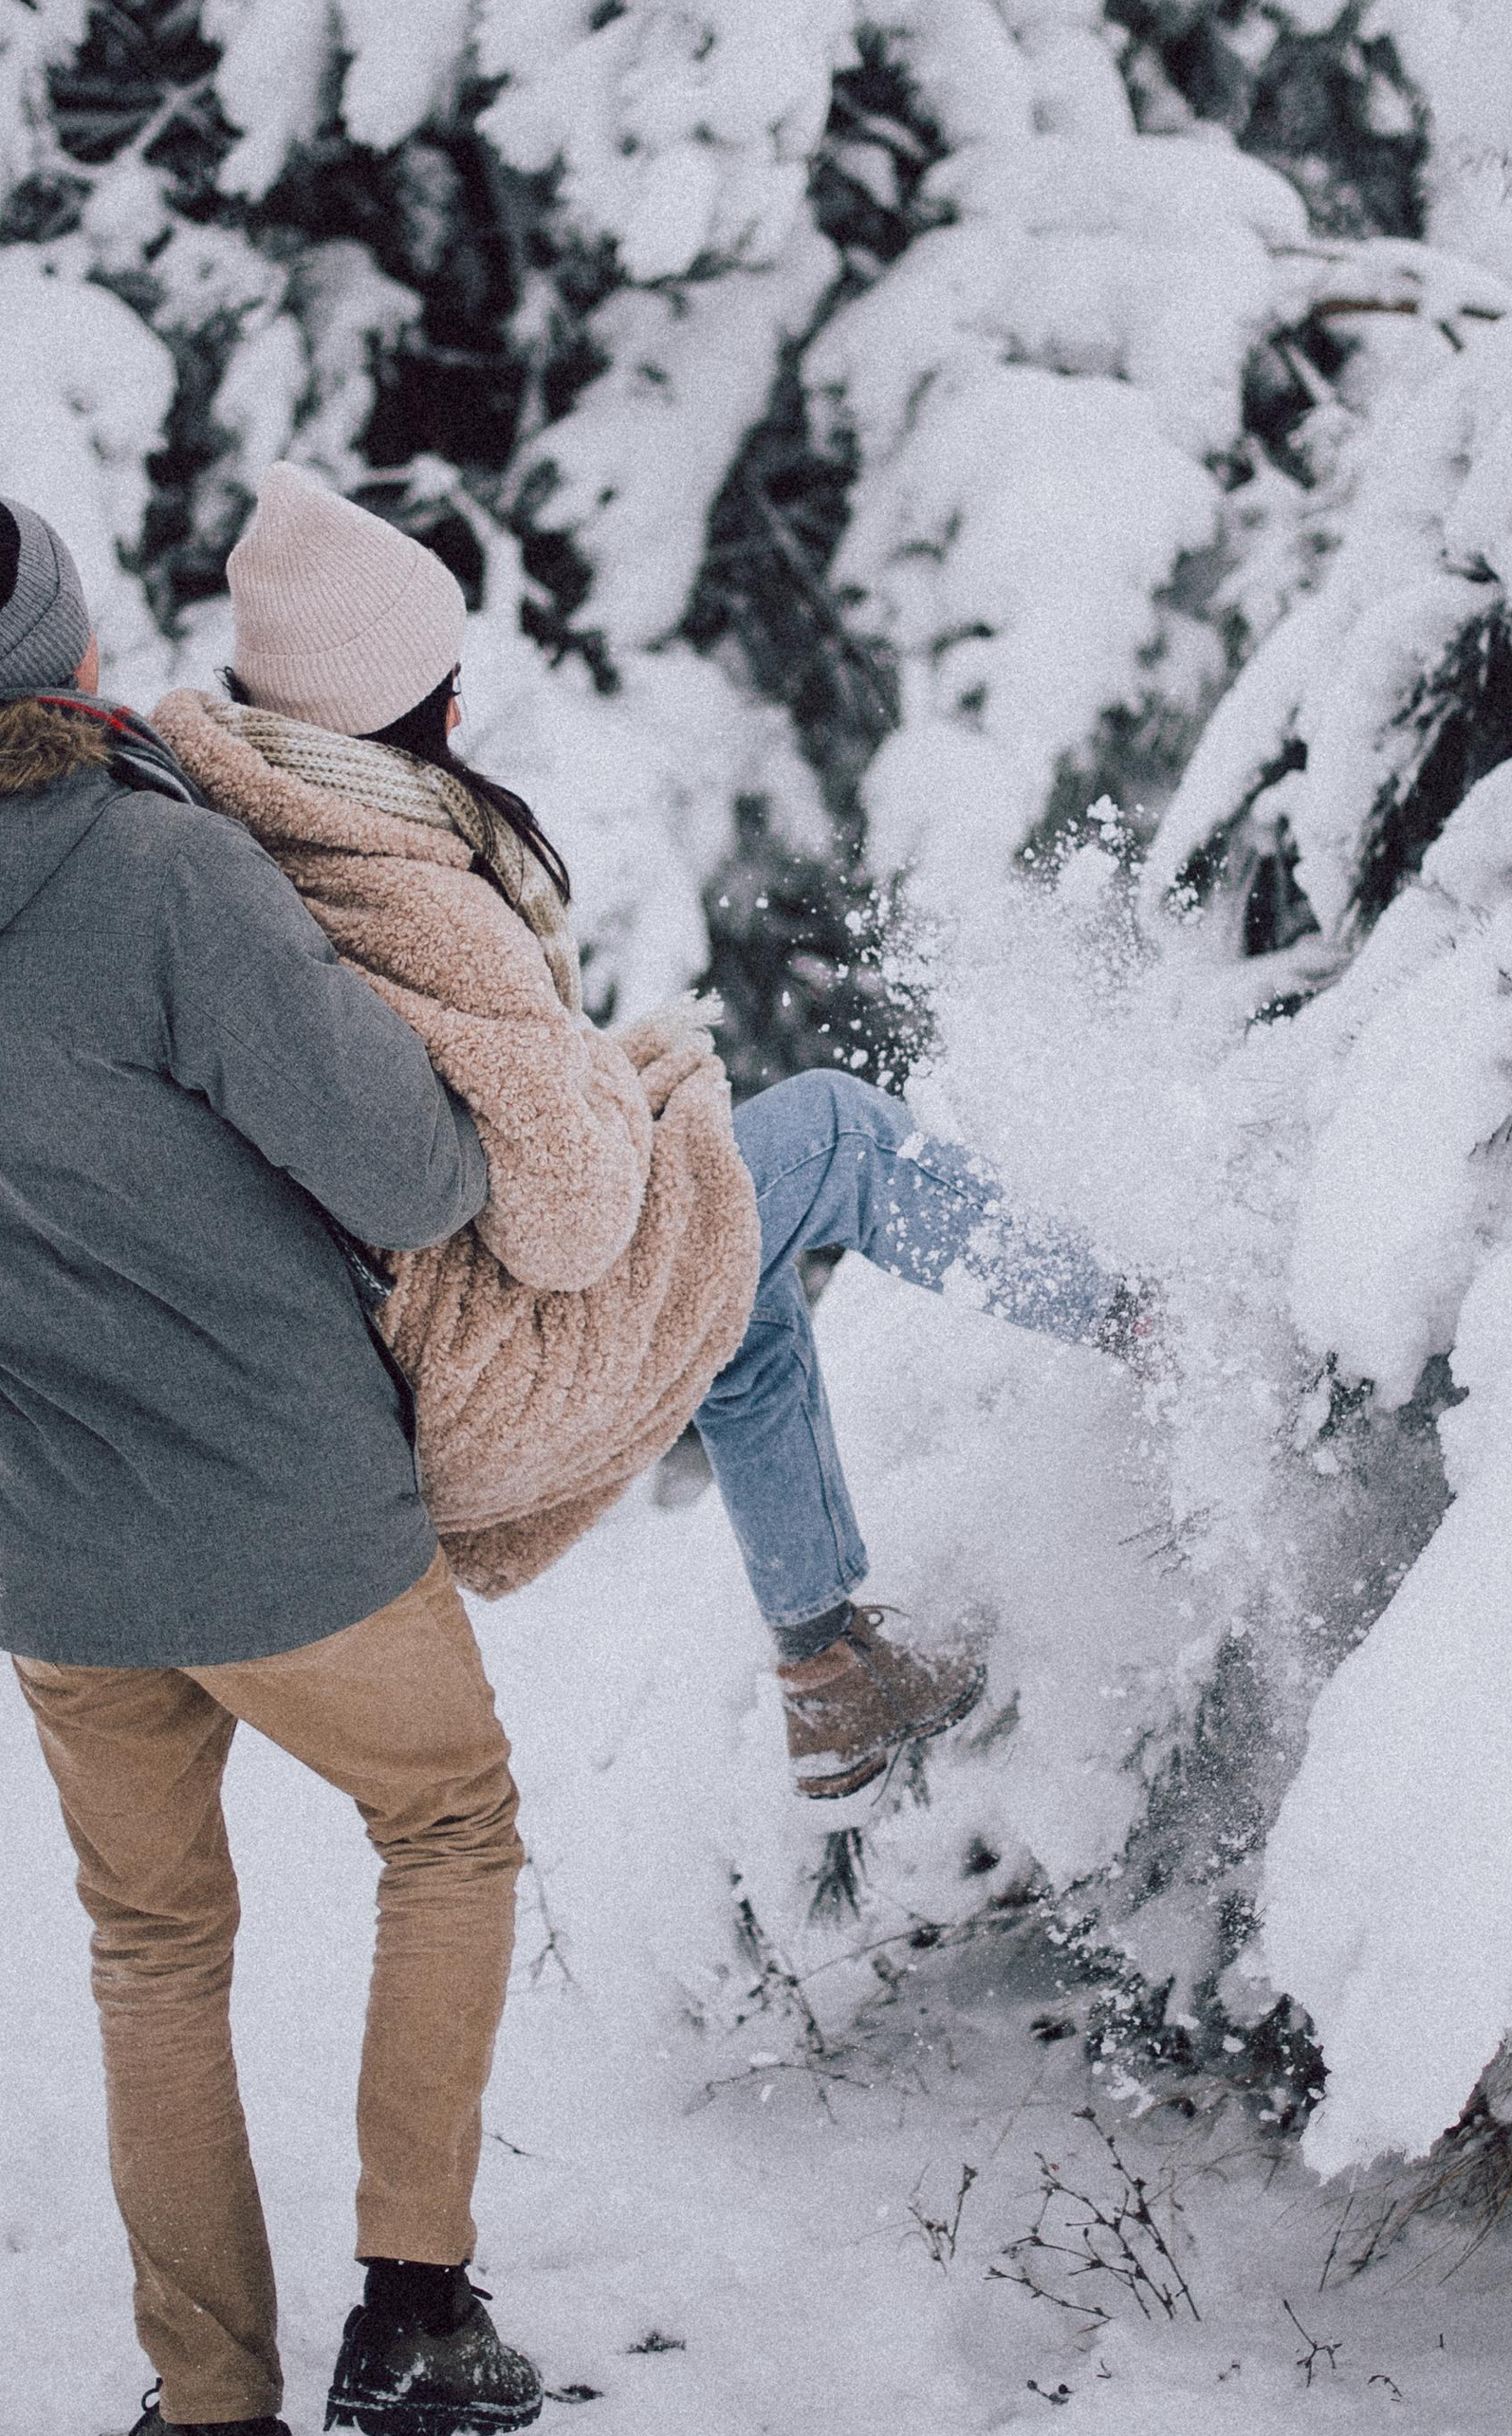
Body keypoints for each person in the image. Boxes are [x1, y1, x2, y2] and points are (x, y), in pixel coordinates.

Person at [0, 482, 544, 2436]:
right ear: (53, 644)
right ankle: (413, 2308)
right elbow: (415, 1176)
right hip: (281, 1504)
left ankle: (210, 2427)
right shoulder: (156, 873)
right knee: (448, 1821)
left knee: (152, 1951)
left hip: (52, 1540)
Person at [157, 468, 1141, 1814]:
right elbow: (568, 1215)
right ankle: (1154, 1328)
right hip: (481, 1367)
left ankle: (831, 1669)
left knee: (723, 1260)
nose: (460, 704)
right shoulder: (399, 885)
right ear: (385, 702)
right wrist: (645, 1081)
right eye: (441, 677)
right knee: (831, 1136)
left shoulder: (250, 829)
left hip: (400, 1366)